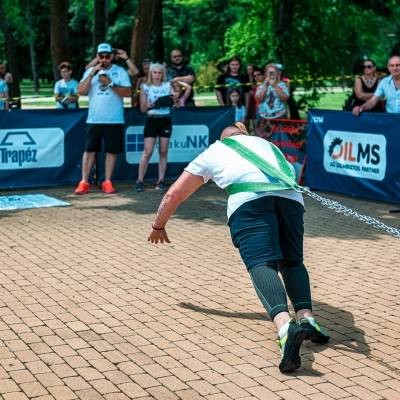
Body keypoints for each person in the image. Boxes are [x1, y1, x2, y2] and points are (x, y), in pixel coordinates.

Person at [148, 122, 329, 373]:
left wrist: (158, 226)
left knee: (262, 264)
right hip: (291, 199)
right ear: (244, 134)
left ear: (222, 139)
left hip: (249, 201)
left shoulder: (216, 150)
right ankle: (307, 318)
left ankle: (286, 327)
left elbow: (174, 195)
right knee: (292, 261)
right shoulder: (267, 145)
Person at [74, 43, 132, 195]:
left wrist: (110, 83)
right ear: (97, 57)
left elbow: (127, 92)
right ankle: (84, 182)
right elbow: (80, 91)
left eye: (107, 56)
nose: (104, 59)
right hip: (94, 119)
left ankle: (107, 181)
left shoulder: (120, 71)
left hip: (114, 120)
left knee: (111, 151)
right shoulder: (90, 71)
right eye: (101, 56)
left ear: (111, 56)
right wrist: (92, 73)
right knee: (89, 151)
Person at [135, 63, 174, 192]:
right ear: (150, 73)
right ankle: (140, 180)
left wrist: (174, 99)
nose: (157, 75)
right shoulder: (145, 87)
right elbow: (142, 108)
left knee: (163, 151)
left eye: (160, 72)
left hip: (165, 119)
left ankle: (160, 180)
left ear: (163, 74)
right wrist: (150, 105)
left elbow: (174, 100)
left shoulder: (167, 85)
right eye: (155, 72)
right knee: (148, 152)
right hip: (152, 120)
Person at [255, 63, 289, 139]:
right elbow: (258, 99)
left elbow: (285, 98)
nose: (271, 75)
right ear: (265, 74)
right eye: (269, 72)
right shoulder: (261, 85)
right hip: (264, 117)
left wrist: (274, 85)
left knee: (280, 140)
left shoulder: (283, 84)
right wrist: (265, 86)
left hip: (279, 117)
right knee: (264, 140)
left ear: (277, 74)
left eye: (273, 72)